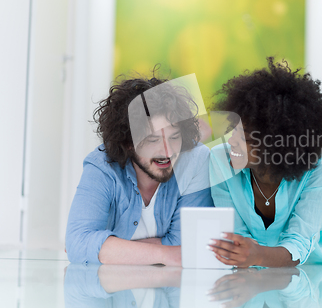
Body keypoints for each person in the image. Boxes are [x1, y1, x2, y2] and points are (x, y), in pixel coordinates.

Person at [208, 57, 322, 267]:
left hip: (307, 275)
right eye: (233, 128)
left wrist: (257, 255)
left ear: (278, 144)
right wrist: (250, 256)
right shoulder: (219, 160)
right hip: (245, 276)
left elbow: (300, 240)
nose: (231, 140)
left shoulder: (319, 164)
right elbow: (236, 239)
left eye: (245, 136)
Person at [65, 75, 213, 265]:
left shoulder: (196, 159)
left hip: (171, 287)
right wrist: (164, 254)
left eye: (174, 137)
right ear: (128, 143)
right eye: (153, 140)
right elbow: (78, 243)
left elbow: (185, 245)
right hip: (111, 289)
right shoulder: (101, 165)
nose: (167, 152)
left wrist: (104, 248)